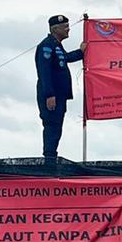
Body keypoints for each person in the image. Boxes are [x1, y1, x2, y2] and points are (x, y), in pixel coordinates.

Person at [35, 15, 85, 159]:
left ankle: (52, 154)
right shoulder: (46, 46)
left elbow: (65, 58)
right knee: (51, 125)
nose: (68, 29)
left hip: (60, 94)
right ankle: (49, 157)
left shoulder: (56, 45)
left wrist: (81, 52)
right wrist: (49, 95)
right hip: (52, 95)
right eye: (65, 27)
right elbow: (44, 72)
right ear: (55, 29)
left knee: (57, 126)